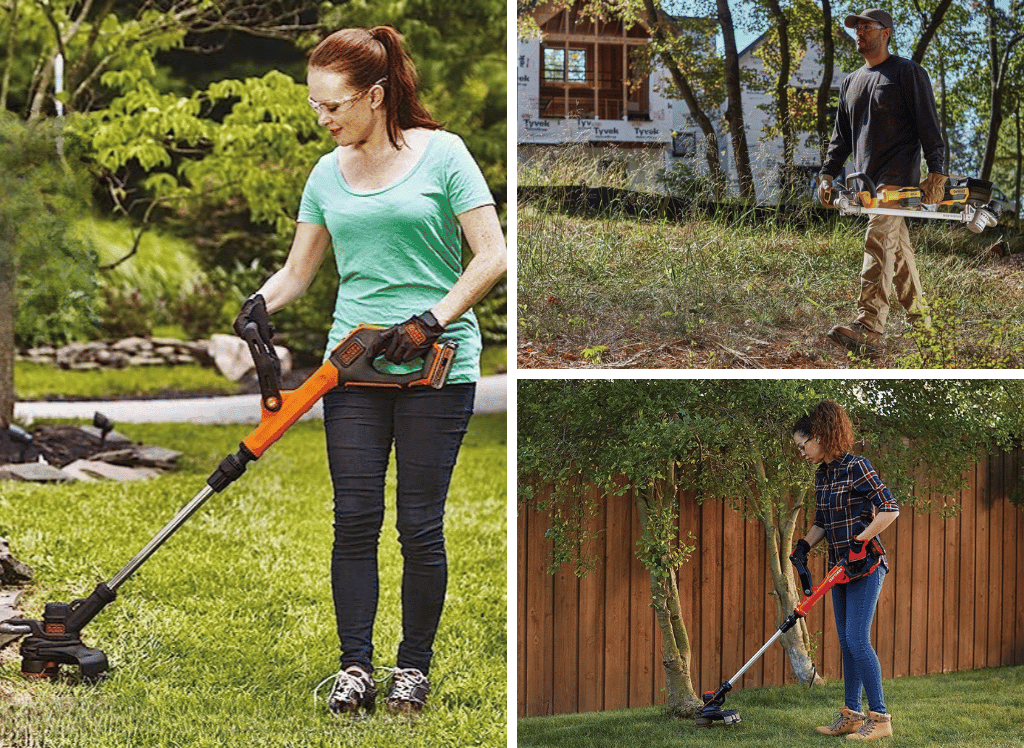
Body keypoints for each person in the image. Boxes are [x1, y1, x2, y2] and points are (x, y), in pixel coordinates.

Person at [233, 25, 506, 716]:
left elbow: (492, 256)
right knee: (354, 518)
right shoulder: (328, 173)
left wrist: (430, 321)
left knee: (419, 524)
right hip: (353, 363)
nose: (321, 119)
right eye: (314, 106)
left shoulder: (444, 156)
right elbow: (299, 272)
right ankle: (355, 666)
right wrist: (257, 304)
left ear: (375, 96)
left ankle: (411, 668)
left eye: (332, 106)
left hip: (435, 362)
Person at [817, 8, 945, 355]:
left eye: (867, 27)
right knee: (898, 254)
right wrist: (827, 172)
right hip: (864, 183)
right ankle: (927, 334)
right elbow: (841, 136)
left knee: (877, 241)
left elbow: (928, 124)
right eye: (856, 28)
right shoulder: (851, 81)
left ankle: (870, 327)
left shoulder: (907, 73)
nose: (859, 32)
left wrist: (937, 169)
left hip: (898, 178)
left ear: (886, 32)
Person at [790, 400, 900, 741]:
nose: (802, 453)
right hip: (840, 569)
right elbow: (822, 521)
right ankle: (852, 715)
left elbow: (890, 508)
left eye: (803, 445)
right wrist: (804, 546)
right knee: (846, 642)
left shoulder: (857, 466)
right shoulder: (822, 474)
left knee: (856, 639)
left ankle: (880, 719)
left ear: (821, 435)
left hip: (866, 565)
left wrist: (862, 539)